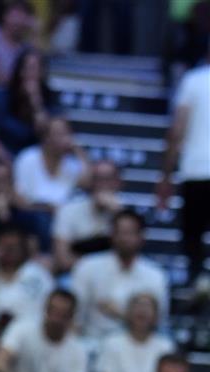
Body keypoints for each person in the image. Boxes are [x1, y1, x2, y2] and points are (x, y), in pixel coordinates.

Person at [69, 211, 168, 347]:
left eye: (130, 233)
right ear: (112, 235)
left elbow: (157, 324)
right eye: (120, 232)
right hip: (93, 344)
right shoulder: (87, 266)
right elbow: (75, 317)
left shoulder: (156, 276)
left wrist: (122, 314)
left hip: (136, 347)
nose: (124, 238)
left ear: (141, 237)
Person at [157, 43, 210, 292]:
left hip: (196, 170)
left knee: (192, 235)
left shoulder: (193, 80)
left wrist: (165, 175)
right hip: (196, 168)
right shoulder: (193, 79)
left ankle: (195, 281)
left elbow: (177, 129)